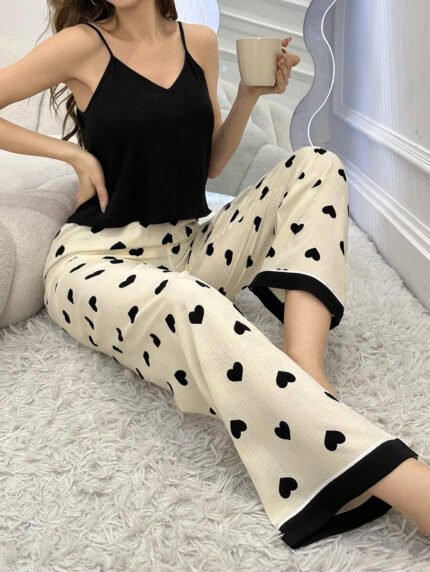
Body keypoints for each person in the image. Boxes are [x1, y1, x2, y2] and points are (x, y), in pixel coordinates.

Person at [1, 0, 429, 551]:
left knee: (318, 164)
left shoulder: (197, 42)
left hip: (188, 245)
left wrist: (248, 95)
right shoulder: (82, 44)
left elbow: (209, 167)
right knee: (189, 301)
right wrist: (73, 157)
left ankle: (306, 371)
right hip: (96, 260)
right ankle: (411, 487)